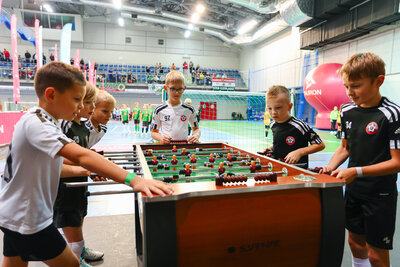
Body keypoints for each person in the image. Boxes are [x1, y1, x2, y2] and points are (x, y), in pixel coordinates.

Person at [0, 62, 172, 267]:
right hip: (28, 219)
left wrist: (84, 171)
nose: (81, 107)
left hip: (13, 214)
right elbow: (81, 154)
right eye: (76, 99)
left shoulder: (41, 121)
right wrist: (132, 179)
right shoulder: (38, 124)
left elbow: (50, 169)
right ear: (51, 94)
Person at [321, 52, 400, 267]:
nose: (349, 93)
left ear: (379, 81)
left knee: (376, 254)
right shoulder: (346, 111)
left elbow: (397, 162)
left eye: (356, 86)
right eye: (346, 86)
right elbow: (345, 148)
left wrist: (356, 171)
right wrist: (330, 167)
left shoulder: (392, 114)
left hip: (380, 195)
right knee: (355, 243)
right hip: (354, 190)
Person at [54, 82, 99, 266]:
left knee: (79, 216)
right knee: (70, 219)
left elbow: (84, 155)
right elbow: (59, 157)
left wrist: (91, 170)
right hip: (65, 187)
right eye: (87, 102)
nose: (91, 107)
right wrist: (88, 163)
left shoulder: (84, 128)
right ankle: (76, 259)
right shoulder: (64, 125)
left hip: (80, 183)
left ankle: (79, 250)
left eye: (92, 103)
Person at [263, 85, 325, 168]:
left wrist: (299, 152)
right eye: (269, 108)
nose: (273, 112)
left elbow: (320, 145)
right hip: (279, 169)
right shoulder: (273, 124)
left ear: (289, 107)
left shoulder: (299, 126)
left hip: (299, 172)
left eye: (278, 108)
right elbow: (282, 142)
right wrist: (272, 148)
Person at [151, 71, 200, 143]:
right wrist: (161, 138)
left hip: (184, 147)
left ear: (184, 88)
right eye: (173, 89)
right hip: (166, 148)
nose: (176, 92)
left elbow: (196, 129)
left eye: (180, 89)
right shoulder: (159, 110)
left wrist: (196, 135)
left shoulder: (190, 109)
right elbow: (153, 132)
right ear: (165, 88)